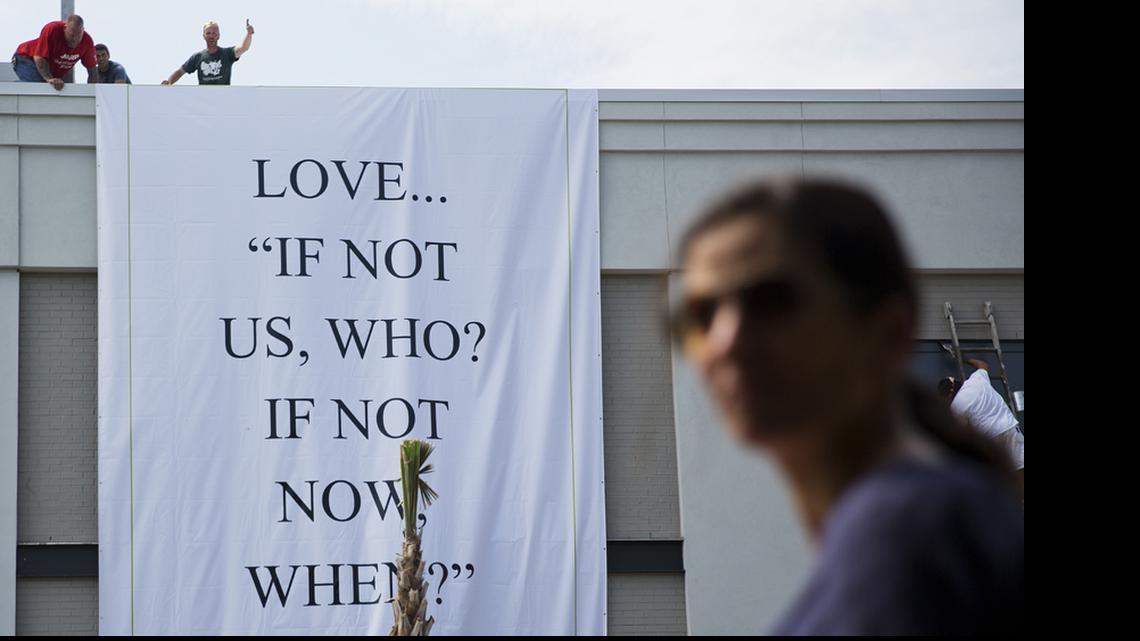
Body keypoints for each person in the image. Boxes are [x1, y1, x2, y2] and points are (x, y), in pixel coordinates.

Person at [672, 177, 1023, 634]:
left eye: (772, 301)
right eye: (701, 315)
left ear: (889, 332)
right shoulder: (909, 530)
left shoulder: (914, 543)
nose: (725, 341)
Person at [940, 357, 1024, 493]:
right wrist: (962, 357)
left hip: (991, 436)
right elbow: (982, 364)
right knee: (1020, 465)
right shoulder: (976, 380)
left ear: (948, 397)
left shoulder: (956, 406)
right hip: (1010, 427)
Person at [10, 15, 98, 89]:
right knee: (39, 87)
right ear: (65, 28)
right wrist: (49, 78)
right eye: (71, 35)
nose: (75, 39)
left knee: (56, 89)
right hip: (26, 57)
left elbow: (92, 70)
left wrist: (92, 91)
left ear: (83, 30)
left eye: (79, 35)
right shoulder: (53, 29)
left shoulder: (87, 41)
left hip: (49, 68)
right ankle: (12, 89)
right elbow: (39, 57)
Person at [162, 19, 254, 86]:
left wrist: (249, 34)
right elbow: (180, 72)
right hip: (204, 101)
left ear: (218, 36)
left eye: (214, 33)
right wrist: (169, 83)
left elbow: (243, 48)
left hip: (224, 99)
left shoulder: (227, 53)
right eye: (208, 33)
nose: (211, 36)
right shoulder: (198, 57)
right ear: (204, 36)